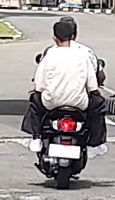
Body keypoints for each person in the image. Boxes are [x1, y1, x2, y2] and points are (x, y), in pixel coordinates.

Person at [23, 16, 108, 154]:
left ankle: (36, 138)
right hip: (79, 103)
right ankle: (94, 144)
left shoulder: (49, 55)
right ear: (73, 36)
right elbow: (93, 86)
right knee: (98, 105)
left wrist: (37, 91)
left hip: (51, 103)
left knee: (34, 102)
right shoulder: (83, 55)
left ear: (54, 38)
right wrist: (96, 94)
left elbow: (39, 85)